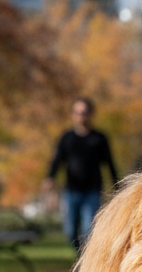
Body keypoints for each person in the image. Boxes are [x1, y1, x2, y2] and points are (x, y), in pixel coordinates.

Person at [45, 97, 119, 250]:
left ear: (91, 114)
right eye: (78, 113)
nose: (81, 116)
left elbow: (109, 163)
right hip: (71, 191)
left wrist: (117, 186)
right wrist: (50, 178)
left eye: (84, 112)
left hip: (92, 191)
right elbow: (57, 160)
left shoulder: (99, 139)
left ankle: (84, 261)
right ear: (73, 115)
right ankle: (81, 256)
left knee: (88, 231)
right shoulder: (67, 138)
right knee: (70, 231)